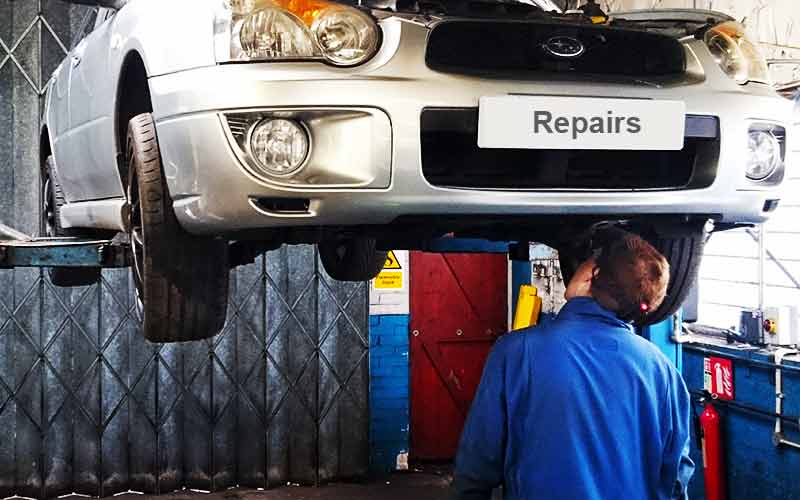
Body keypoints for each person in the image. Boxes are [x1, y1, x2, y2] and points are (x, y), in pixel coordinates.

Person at [452, 228, 695, 500]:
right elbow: (675, 479)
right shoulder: (664, 372)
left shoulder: (517, 351)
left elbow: (478, 461)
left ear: (590, 276)